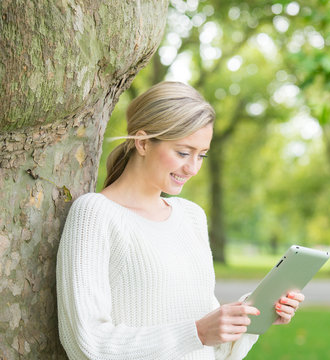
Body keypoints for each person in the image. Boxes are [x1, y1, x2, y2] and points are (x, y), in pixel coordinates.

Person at [56, 81, 305, 360]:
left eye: (202, 156)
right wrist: (197, 332)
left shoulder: (191, 217)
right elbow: (87, 342)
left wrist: (252, 314)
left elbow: (210, 348)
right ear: (142, 142)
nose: (192, 168)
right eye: (183, 153)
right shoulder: (95, 214)